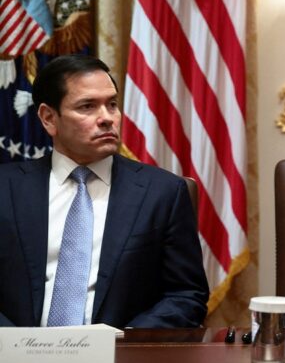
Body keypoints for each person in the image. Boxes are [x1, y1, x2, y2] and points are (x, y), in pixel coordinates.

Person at [0, 54, 209, 328]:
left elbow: (186, 295)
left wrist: (123, 340)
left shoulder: (163, 193)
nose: (107, 118)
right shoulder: (5, 189)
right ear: (49, 118)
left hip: (122, 351)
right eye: (87, 106)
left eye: (112, 105)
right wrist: (14, 344)